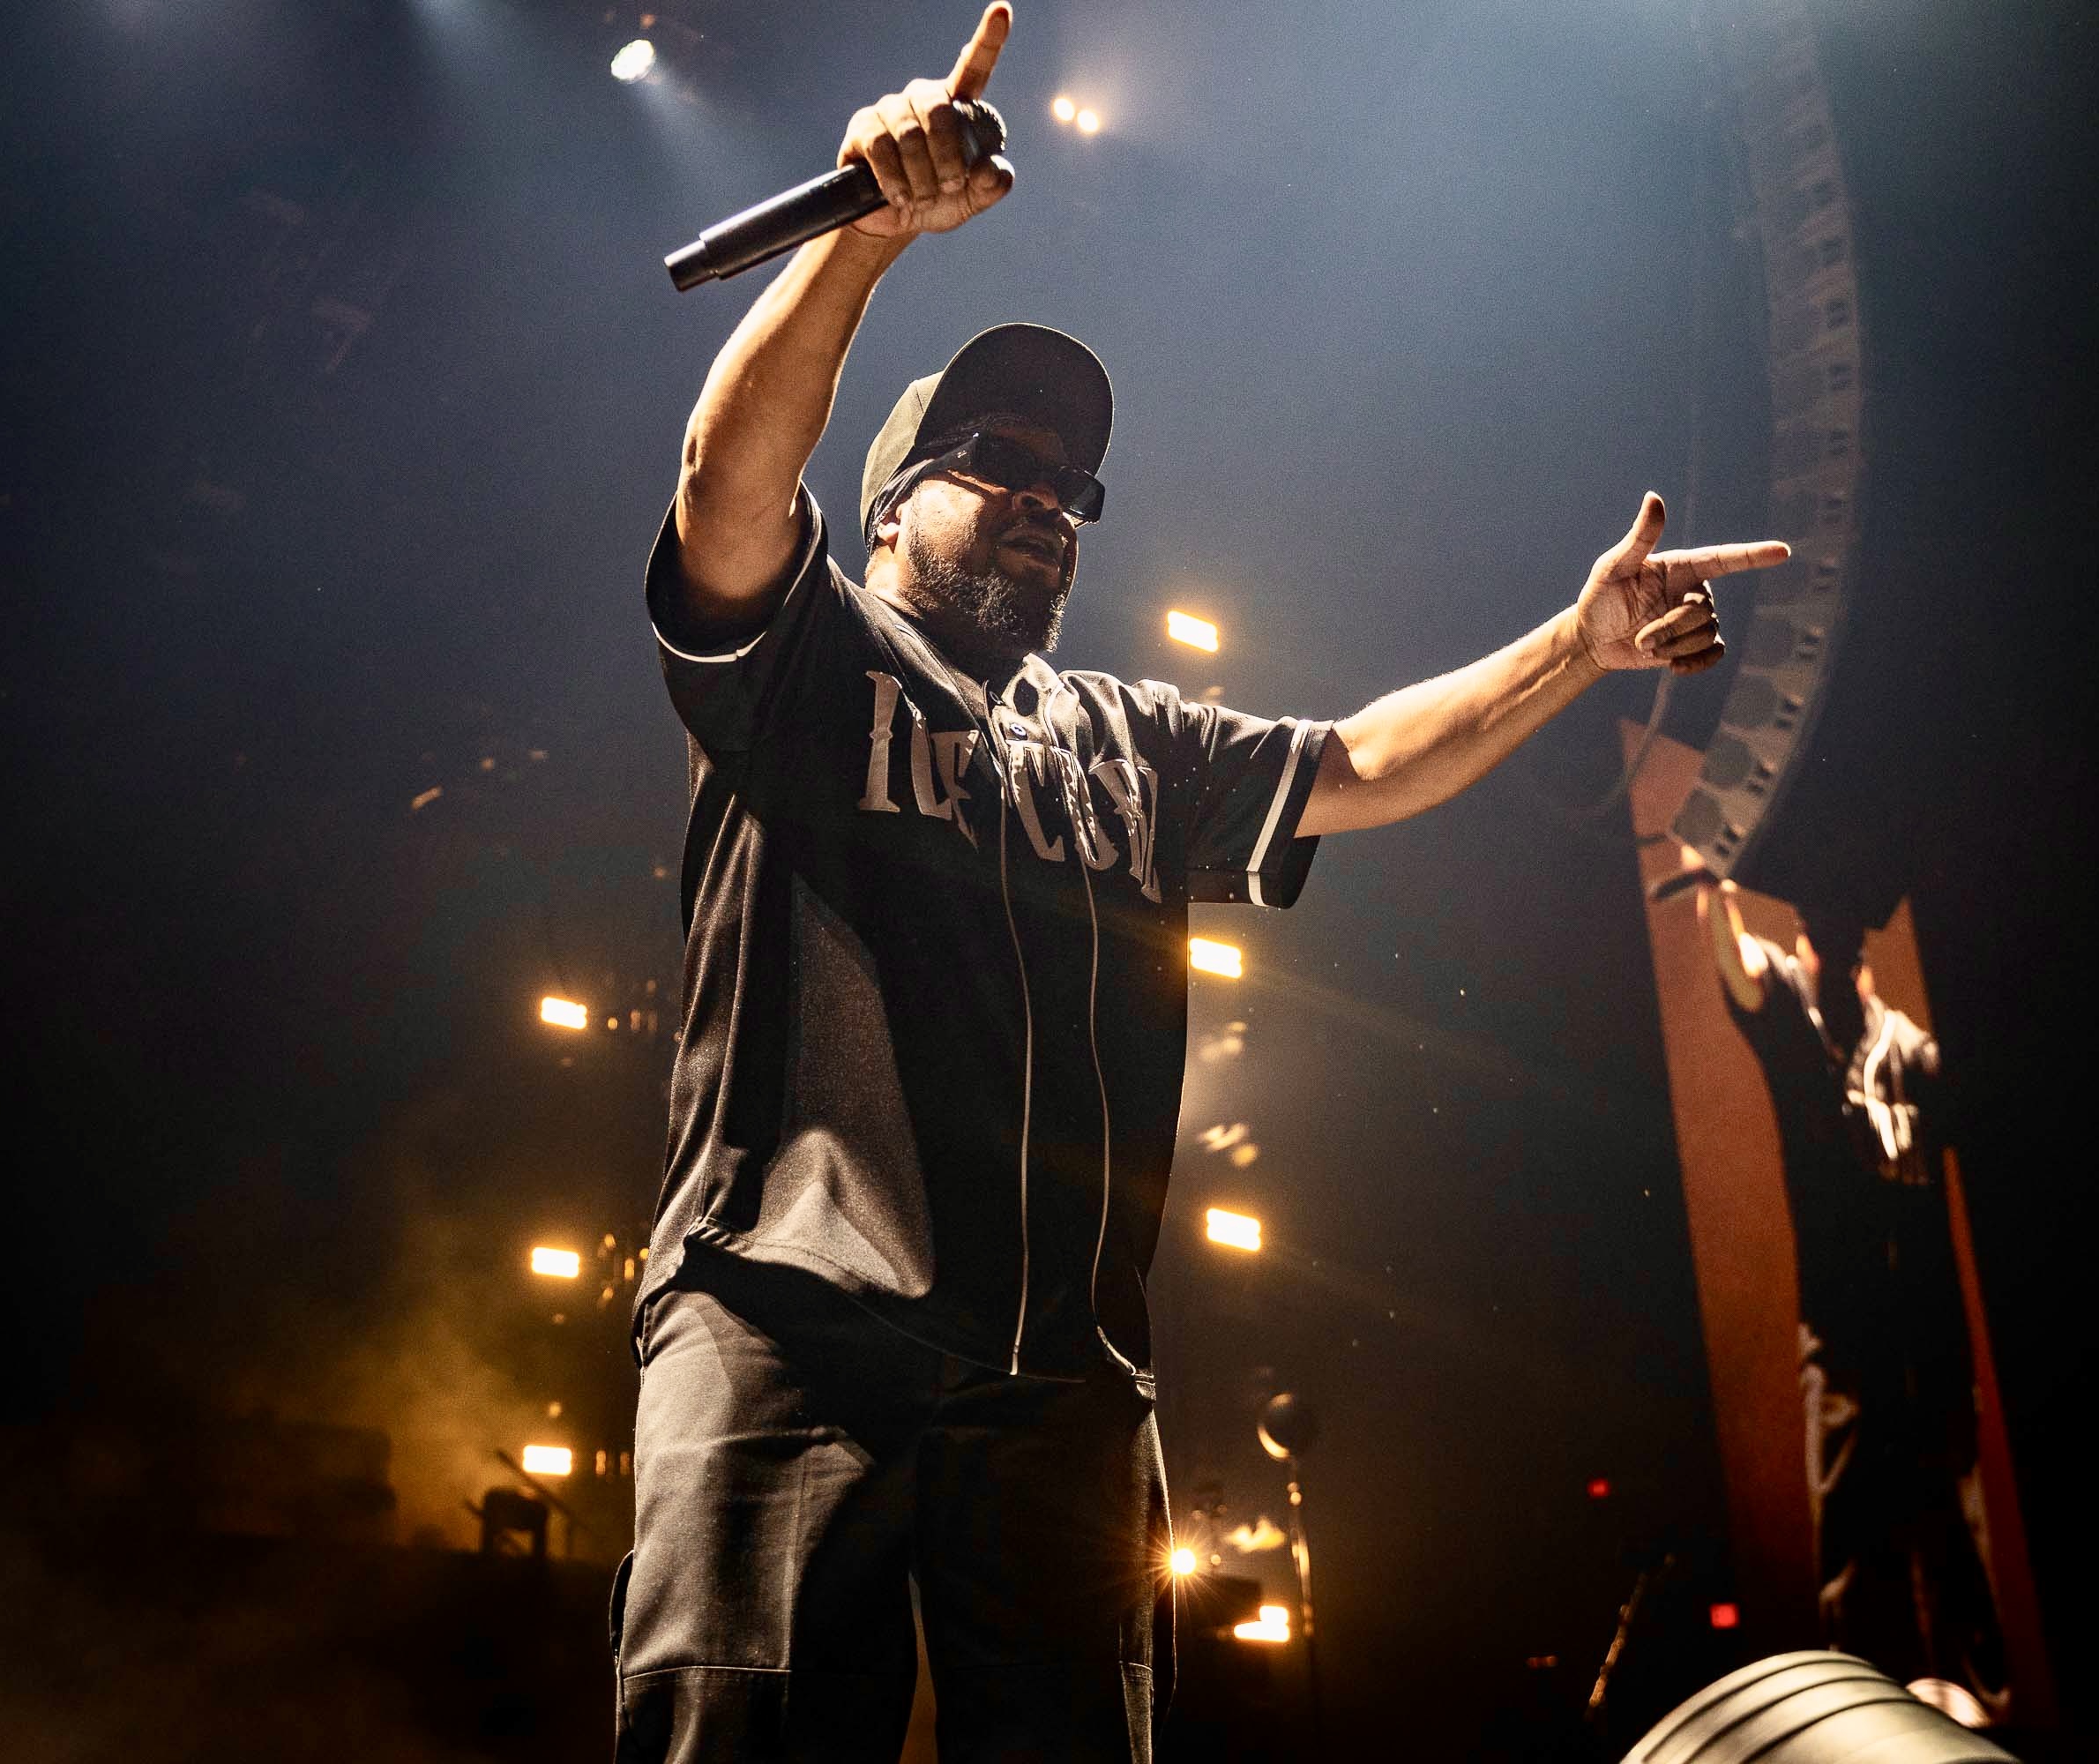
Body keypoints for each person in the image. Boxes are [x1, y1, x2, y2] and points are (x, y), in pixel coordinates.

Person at [611, 9, 1789, 1759]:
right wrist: (864, 235)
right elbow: (725, 482)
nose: (1046, 501)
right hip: (793, 1322)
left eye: (1070, 483)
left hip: (1063, 1386)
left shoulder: (1126, 735)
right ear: (888, 504)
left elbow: (1362, 761)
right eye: (996, 464)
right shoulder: (803, 650)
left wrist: (1573, 645)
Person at [1693, 877, 2007, 1714]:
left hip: (1927, 1329)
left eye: (1851, 946)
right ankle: (1870, 1716)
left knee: (1953, 1527)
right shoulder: (1794, 1009)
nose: (1840, 956)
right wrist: (1710, 880)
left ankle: (1985, 1712)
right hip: (1842, 1324)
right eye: (1824, 939)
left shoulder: (1903, 1043)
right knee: (1856, 1526)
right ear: (1806, 941)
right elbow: (1735, 965)